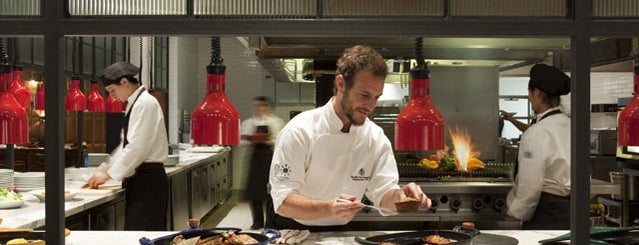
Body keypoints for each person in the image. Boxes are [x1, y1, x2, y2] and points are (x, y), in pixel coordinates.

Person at [267, 45, 431, 231]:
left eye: (376, 97)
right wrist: (329, 208)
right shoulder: (299, 131)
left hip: (338, 230)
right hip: (291, 228)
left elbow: (384, 194)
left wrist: (400, 197)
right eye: (364, 95)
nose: (371, 106)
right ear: (341, 84)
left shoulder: (375, 138)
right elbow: (284, 202)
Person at [87, 61, 169, 231]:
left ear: (124, 82)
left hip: (148, 180)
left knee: (144, 235)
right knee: (137, 233)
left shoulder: (146, 103)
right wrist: (106, 168)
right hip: (140, 180)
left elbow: (137, 148)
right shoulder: (135, 103)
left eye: (112, 91)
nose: (112, 96)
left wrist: (108, 174)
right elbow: (126, 144)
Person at [506, 63, 571, 230]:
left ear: (537, 92)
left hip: (548, 214)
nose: (529, 98)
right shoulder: (573, 126)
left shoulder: (537, 132)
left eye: (529, 93)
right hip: (574, 211)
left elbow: (530, 183)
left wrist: (516, 212)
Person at [240, 96, 285, 230]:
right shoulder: (248, 123)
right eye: (256, 106)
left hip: (270, 159)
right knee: (255, 193)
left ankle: (271, 222)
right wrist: (252, 139)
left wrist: (267, 140)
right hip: (255, 159)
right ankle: (257, 222)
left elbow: (281, 141)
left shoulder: (276, 122)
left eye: (262, 106)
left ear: (267, 107)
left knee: (271, 193)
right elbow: (241, 142)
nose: (259, 109)